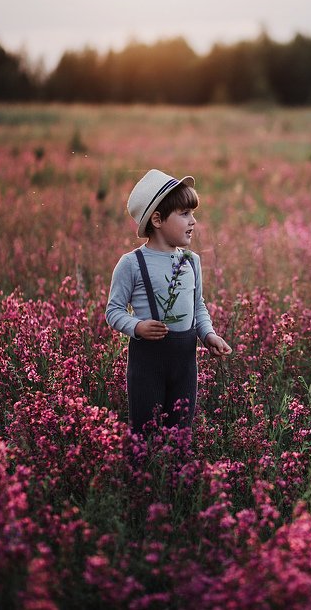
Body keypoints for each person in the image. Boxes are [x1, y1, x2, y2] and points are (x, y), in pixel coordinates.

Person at [106, 169, 232, 431]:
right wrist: (136, 327)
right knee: (145, 433)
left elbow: (198, 306)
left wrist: (208, 335)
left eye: (193, 213)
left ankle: (177, 472)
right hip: (146, 363)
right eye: (184, 214)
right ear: (158, 219)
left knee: (180, 436)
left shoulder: (191, 261)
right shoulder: (131, 263)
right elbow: (114, 311)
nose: (193, 221)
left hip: (185, 362)